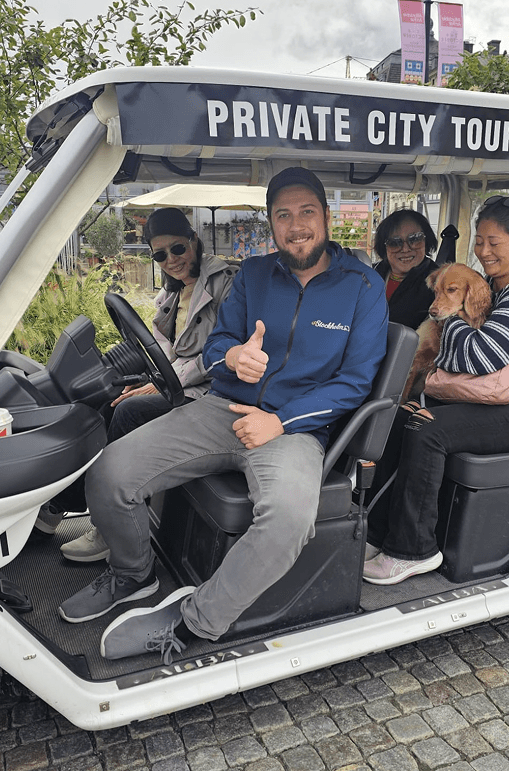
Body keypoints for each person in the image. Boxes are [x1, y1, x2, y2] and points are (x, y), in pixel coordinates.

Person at [58, 167, 388, 664]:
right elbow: (215, 346)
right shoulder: (253, 275)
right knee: (109, 471)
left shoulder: (362, 286)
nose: (296, 225)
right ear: (272, 223)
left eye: (306, 212)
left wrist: (281, 421)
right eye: (283, 215)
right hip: (222, 409)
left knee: (289, 520)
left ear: (326, 216)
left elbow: (356, 381)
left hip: (293, 430)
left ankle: (195, 620)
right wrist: (232, 358)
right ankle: (134, 574)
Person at [363, 195, 509, 585]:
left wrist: (452, 317)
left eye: (495, 243)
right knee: (399, 415)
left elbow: (481, 357)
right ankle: (378, 533)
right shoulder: (495, 287)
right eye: (480, 241)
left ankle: (413, 550)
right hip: (497, 399)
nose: (484, 251)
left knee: (426, 430)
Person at [37, 209, 238, 559]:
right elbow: (162, 345)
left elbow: (222, 354)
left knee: (129, 410)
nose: (171, 260)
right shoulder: (173, 292)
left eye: (177, 249)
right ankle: (60, 503)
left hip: (212, 393)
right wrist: (147, 376)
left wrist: (162, 382)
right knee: (103, 399)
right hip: (178, 383)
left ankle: (109, 526)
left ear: (193, 239)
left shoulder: (225, 283)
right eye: (160, 255)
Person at [373, 209, 439, 330]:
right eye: (394, 242)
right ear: (384, 247)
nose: (405, 249)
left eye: (415, 239)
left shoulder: (440, 282)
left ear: (427, 240)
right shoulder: (370, 274)